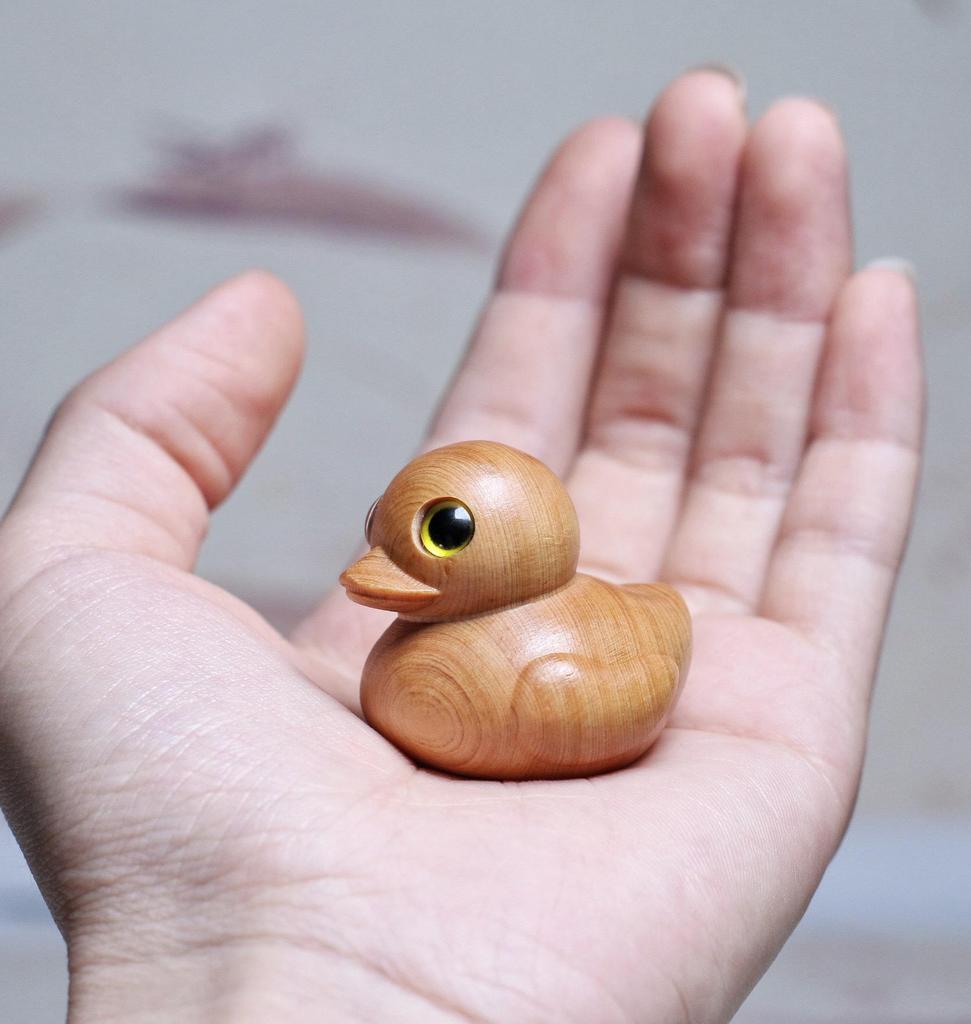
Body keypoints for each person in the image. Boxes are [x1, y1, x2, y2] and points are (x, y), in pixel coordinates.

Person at [0, 68, 922, 1023]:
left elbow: (644, 642)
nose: (376, 568)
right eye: (386, 534)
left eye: (441, 535)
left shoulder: (546, 681)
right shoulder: (411, 668)